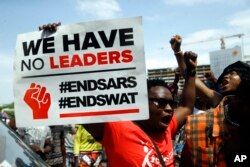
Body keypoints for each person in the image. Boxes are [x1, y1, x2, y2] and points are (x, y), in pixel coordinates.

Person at [39, 23, 197, 166]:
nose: (169, 109)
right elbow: (76, 100)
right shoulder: (116, 129)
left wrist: (191, 71)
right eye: (160, 103)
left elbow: (186, 106)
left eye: (171, 103)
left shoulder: (168, 127)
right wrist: (55, 43)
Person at [180, 61, 250, 167]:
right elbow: (192, 80)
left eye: (232, 73)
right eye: (225, 75)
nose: (226, 76)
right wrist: (179, 54)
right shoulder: (217, 104)